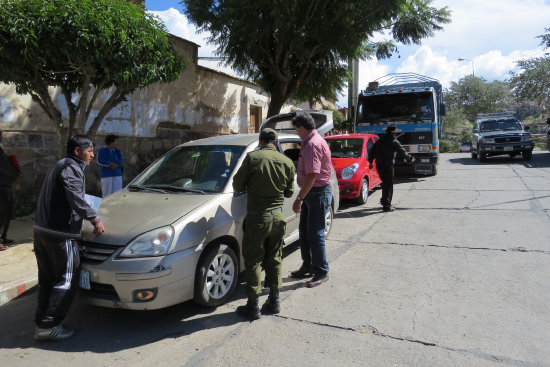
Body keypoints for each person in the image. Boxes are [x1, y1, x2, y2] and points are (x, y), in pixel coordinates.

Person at [33, 135, 105, 341]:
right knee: (66, 279)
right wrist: (94, 218)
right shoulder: (71, 166)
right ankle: (49, 325)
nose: (92, 154)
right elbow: (74, 196)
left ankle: (43, 322)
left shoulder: (61, 165)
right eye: (89, 150)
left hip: (44, 231)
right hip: (59, 234)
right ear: (77, 151)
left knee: (48, 279)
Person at [232, 128, 295, 320]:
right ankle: (274, 301)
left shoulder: (252, 158)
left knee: (253, 259)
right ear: (275, 143)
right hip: (278, 218)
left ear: (260, 141)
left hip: (258, 218)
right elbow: (289, 193)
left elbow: (236, 185)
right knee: (275, 258)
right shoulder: (287, 162)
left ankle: (253, 306)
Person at [290, 112, 332, 288]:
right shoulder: (309, 141)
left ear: (301, 127)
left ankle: (321, 271)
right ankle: (308, 265)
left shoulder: (313, 144)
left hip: (317, 192)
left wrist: (300, 197)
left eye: (296, 129)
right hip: (312, 193)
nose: (296, 132)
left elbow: (312, 174)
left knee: (315, 234)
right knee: (305, 232)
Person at [368, 125, 413, 212]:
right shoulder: (394, 141)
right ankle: (387, 206)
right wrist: (410, 158)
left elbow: (371, 151)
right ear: (394, 133)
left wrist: (370, 162)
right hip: (388, 166)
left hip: (379, 165)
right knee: (388, 185)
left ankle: (384, 200)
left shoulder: (380, 141)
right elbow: (403, 152)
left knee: (385, 183)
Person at [0, 129, 20, 250]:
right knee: (1, 213)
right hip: (1, 186)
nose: (1, 137)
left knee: (6, 212)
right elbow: (4, 167)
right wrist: (15, 174)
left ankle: (3, 236)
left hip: (5, 185)